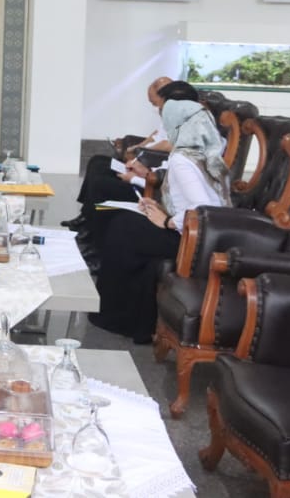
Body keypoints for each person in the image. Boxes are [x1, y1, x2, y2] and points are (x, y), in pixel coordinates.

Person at [89, 97, 232, 344]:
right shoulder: (209, 153)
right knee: (129, 226)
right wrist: (160, 208)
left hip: (193, 240)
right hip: (211, 237)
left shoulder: (182, 159)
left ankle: (114, 315)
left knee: (123, 229)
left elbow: (202, 209)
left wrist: (167, 222)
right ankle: (136, 322)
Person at [64, 76, 172, 236]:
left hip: (148, 170)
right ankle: (85, 214)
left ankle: (90, 228)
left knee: (101, 181)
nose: (155, 108)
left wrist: (141, 153)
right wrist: (137, 147)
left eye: (154, 103)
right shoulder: (167, 114)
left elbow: (167, 144)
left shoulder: (178, 119)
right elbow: (157, 134)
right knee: (97, 161)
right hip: (141, 164)